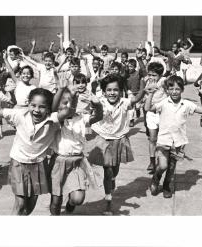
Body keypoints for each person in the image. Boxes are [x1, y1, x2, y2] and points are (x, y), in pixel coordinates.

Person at [0, 85, 72, 215]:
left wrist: (64, 92)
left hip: (39, 165)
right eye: (33, 105)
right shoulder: (19, 114)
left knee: (29, 206)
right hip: (18, 163)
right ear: (28, 104)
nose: (36, 110)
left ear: (49, 109)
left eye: (42, 107)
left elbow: (67, 111)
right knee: (19, 204)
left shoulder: (52, 120)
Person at [87, 74, 149, 215]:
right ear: (104, 91)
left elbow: (135, 99)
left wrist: (144, 90)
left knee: (115, 169)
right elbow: (92, 104)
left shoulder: (124, 102)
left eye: (115, 90)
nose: (112, 93)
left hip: (119, 139)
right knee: (108, 170)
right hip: (103, 139)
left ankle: (112, 179)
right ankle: (108, 200)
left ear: (120, 91)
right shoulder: (100, 101)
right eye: (109, 90)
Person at [145, 75, 202, 198]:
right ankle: (155, 178)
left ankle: (166, 186)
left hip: (179, 142)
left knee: (171, 167)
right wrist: (150, 94)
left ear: (182, 90)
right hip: (164, 140)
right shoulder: (163, 103)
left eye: (177, 89)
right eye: (171, 89)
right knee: (163, 165)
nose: (174, 92)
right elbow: (148, 108)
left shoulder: (186, 104)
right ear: (167, 90)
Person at [49, 77, 103, 215]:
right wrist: (64, 92)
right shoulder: (56, 120)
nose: (66, 105)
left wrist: (97, 105)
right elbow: (55, 108)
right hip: (59, 162)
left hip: (77, 162)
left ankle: (70, 202)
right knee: (55, 201)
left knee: (78, 199)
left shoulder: (81, 118)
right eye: (64, 102)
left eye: (70, 102)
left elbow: (97, 117)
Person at [143, 62, 167, 174]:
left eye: (154, 75)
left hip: (162, 114)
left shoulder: (163, 82)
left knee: (162, 139)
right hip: (151, 114)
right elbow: (145, 95)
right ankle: (152, 161)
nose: (152, 77)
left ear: (161, 75)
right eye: (150, 75)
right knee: (152, 138)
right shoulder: (147, 82)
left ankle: (161, 158)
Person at [126, 59, 146, 127]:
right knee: (131, 108)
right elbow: (124, 84)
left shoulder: (138, 74)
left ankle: (138, 110)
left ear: (134, 67)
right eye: (128, 66)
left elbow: (143, 74)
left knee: (137, 106)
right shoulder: (126, 74)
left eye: (131, 66)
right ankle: (131, 120)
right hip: (130, 92)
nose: (130, 68)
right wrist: (126, 90)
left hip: (138, 92)